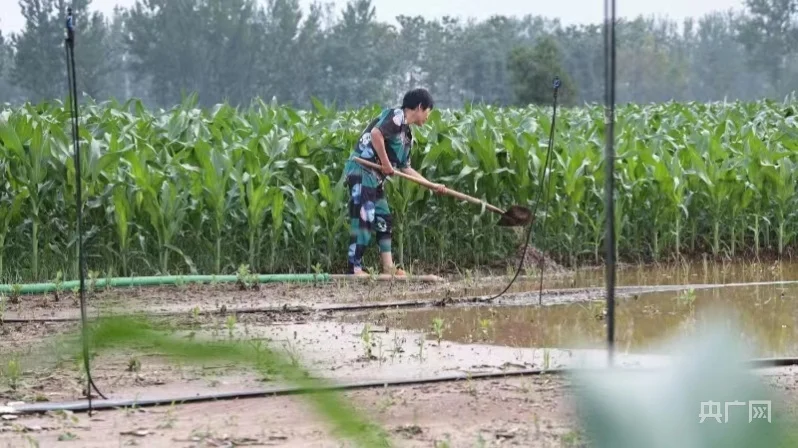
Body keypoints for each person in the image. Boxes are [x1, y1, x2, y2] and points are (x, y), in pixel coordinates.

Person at [343, 88, 446, 277]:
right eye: (428, 112)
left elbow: (406, 168)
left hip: (376, 177)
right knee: (365, 217)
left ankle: (388, 267)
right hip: (361, 170)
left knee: (384, 219)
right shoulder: (396, 117)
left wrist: (431, 185)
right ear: (420, 107)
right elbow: (376, 134)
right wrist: (385, 162)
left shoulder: (407, 136)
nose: (428, 117)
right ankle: (354, 268)